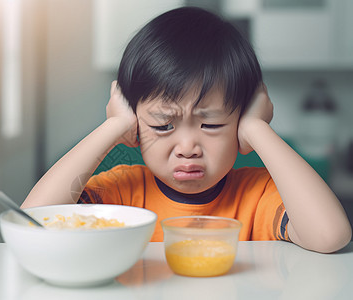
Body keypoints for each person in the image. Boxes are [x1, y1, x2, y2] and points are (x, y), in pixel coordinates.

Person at [21, 7, 351, 253]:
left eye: (212, 124)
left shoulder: (258, 195)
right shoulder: (122, 194)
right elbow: (32, 223)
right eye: (163, 125)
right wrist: (114, 125)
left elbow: (330, 236)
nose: (188, 147)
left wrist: (257, 128)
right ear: (137, 125)